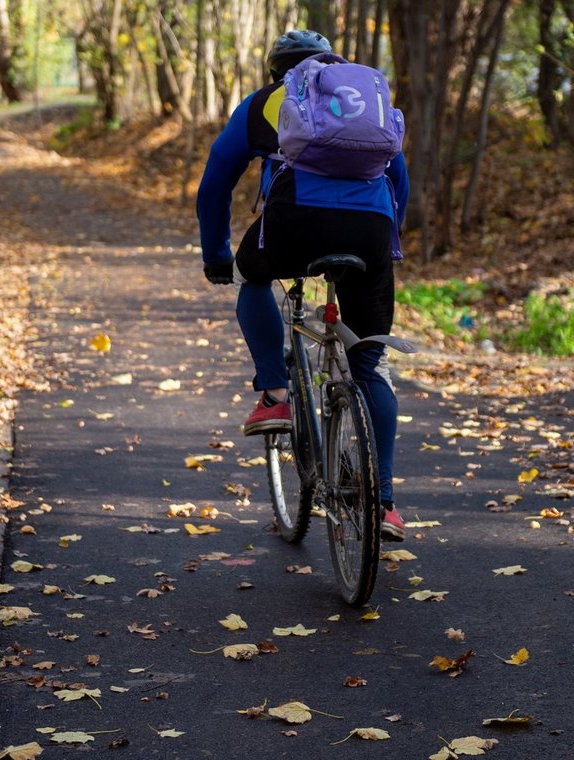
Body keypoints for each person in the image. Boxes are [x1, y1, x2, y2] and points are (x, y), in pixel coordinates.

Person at [196, 30, 409, 541]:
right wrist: (387, 241)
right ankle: (384, 505)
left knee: (252, 275)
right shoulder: (366, 101)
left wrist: (217, 256)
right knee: (370, 363)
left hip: (296, 223)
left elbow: (215, 181)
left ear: (277, 69)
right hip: (371, 230)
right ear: (332, 61)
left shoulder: (267, 101)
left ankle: (273, 392)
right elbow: (398, 175)